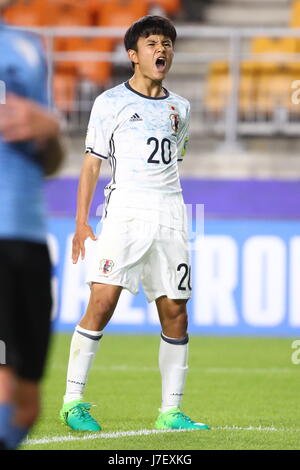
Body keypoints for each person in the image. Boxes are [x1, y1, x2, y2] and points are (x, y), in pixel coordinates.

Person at [60, 15, 210, 432]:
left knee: (176, 311)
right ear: (133, 55)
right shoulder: (110, 102)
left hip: (171, 213)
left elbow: (174, 160)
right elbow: (92, 164)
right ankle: (73, 402)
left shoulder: (182, 107)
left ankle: (171, 411)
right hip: (125, 212)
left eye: (167, 43)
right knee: (103, 301)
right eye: (151, 44)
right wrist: (81, 221)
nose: (161, 50)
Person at [0, 0, 64, 450]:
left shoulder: (28, 49)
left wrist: (50, 129)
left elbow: (50, 161)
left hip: (28, 238)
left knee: (25, 406)